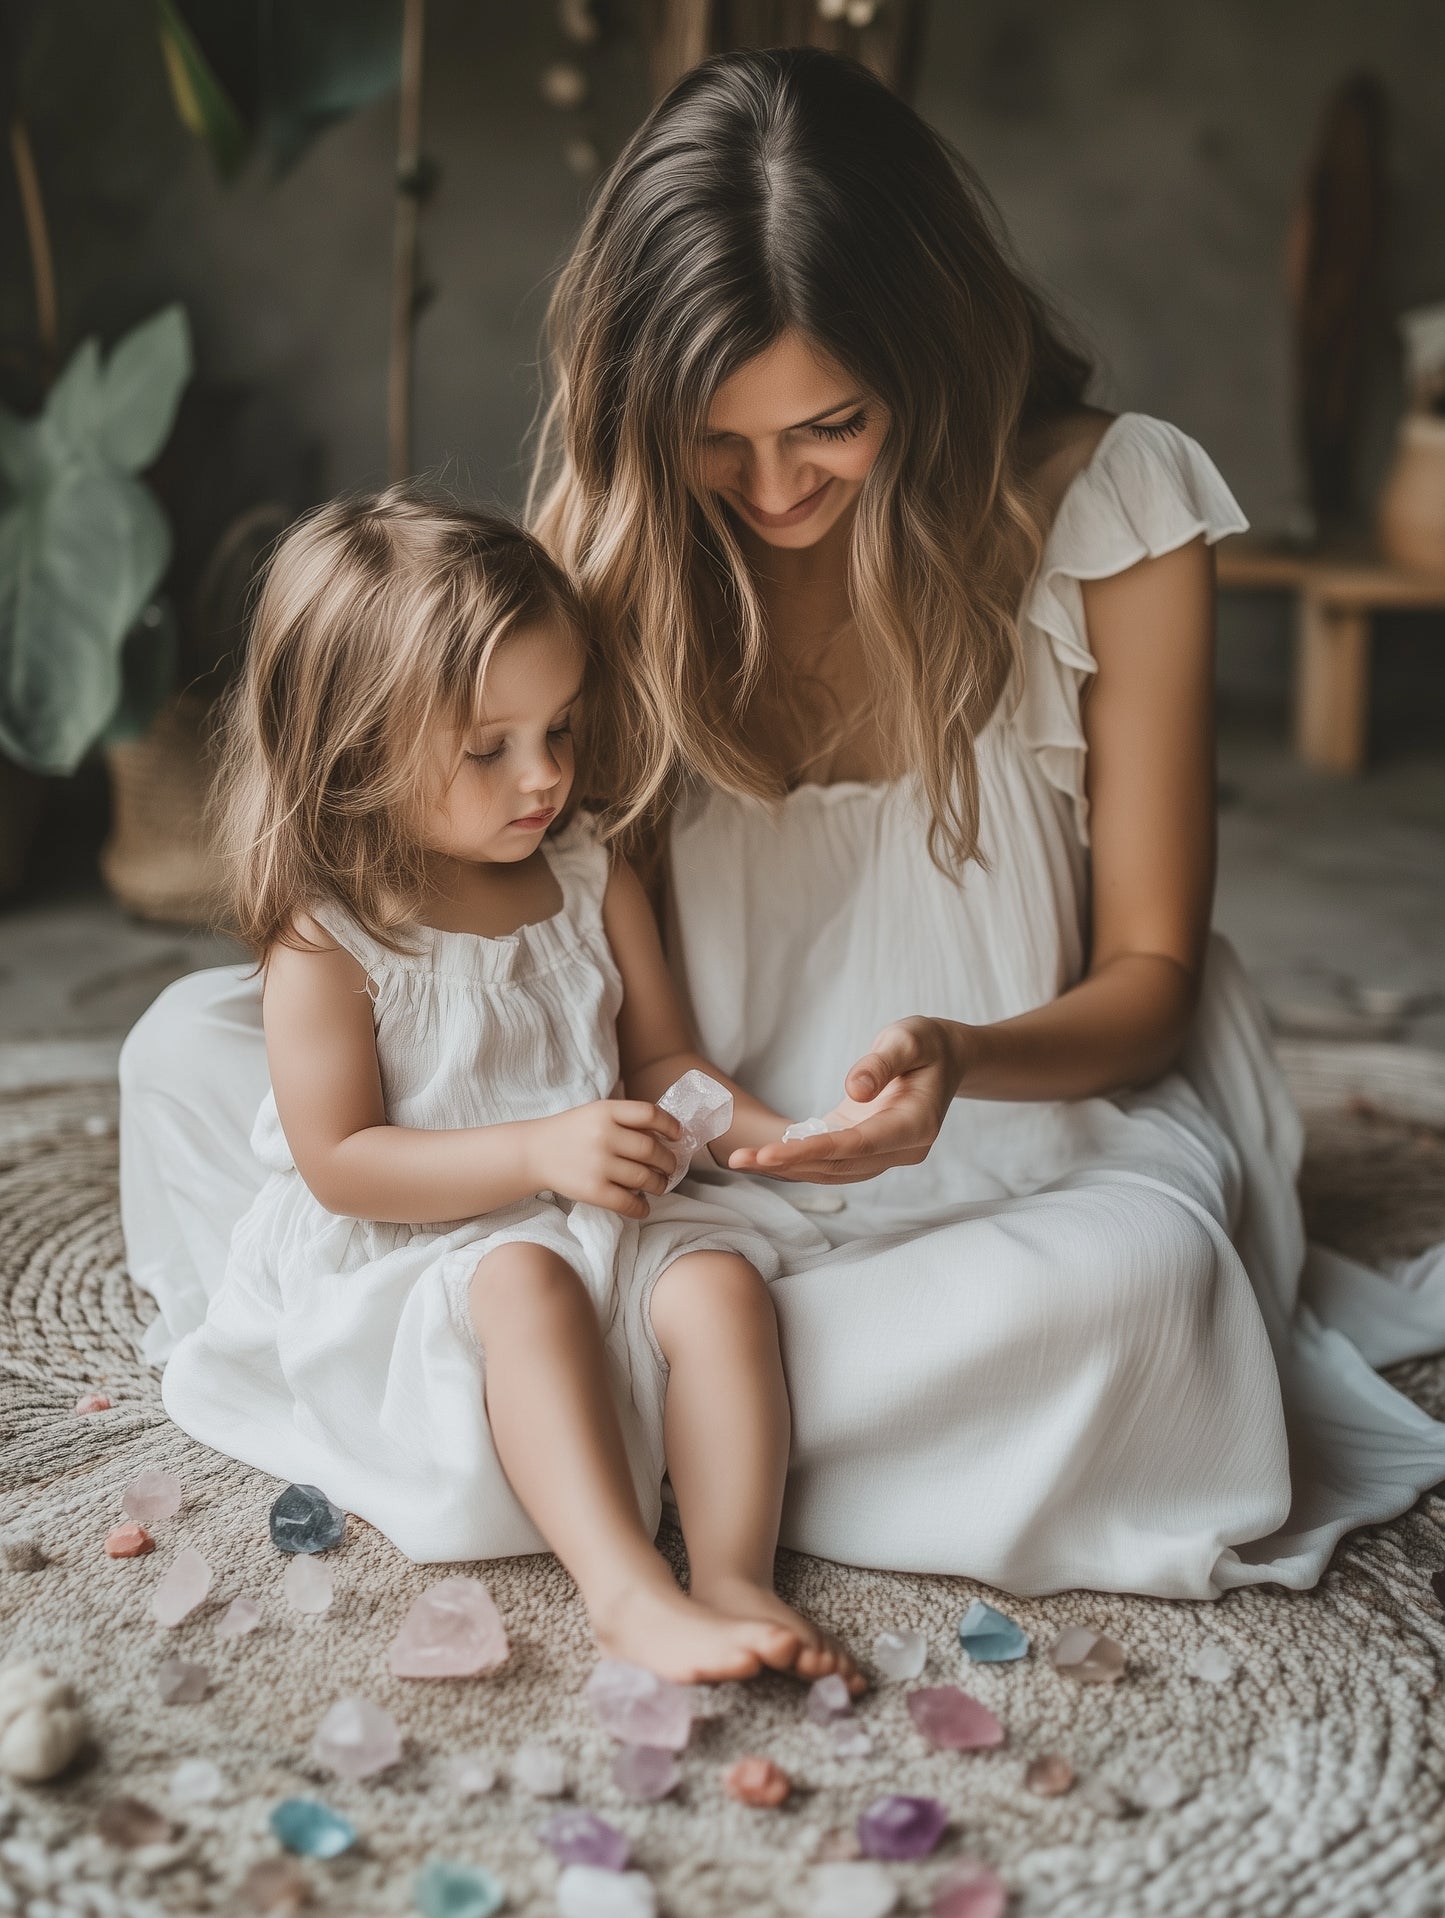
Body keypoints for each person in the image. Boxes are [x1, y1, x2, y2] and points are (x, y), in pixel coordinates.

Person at [123, 48, 1445, 1601]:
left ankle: (558, 1412)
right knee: (191, 1057)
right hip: (646, 1151)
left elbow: (1149, 978)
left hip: (1013, 1136)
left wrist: (965, 1057)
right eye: (715, 436)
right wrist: (577, 1136)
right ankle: (658, 1388)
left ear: (930, 354)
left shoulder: (1113, 508)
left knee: (1147, 1292)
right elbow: (492, 904)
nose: (767, 487)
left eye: (828, 424)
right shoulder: (612, 540)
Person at [159, 489, 863, 1686]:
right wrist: (539, 1151)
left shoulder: (587, 871)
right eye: (488, 749)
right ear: (356, 751)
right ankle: (625, 1588)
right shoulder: (331, 935)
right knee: (526, 1280)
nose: (542, 778)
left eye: (562, 728)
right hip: (412, 1247)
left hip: (585, 1211)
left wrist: (780, 1135)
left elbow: (662, 1064)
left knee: (722, 1289)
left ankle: (735, 1573)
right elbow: (341, 1160)